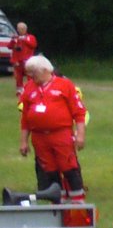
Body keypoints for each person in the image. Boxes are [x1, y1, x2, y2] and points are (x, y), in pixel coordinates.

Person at [17, 55, 87, 203]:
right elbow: (25, 119)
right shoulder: (29, 88)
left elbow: (79, 112)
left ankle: (77, 200)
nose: (30, 76)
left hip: (60, 134)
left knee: (68, 166)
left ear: (44, 70)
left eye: (33, 72)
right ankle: (58, 199)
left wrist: (80, 134)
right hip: (39, 137)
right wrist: (23, 141)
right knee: (49, 169)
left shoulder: (64, 85)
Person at [10, 21, 38, 94]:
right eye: (19, 29)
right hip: (18, 60)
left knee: (29, 75)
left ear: (25, 29)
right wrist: (14, 40)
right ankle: (20, 90)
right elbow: (10, 46)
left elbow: (33, 45)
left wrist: (24, 40)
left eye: (21, 28)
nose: (20, 30)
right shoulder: (16, 38)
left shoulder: (30, 37)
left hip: (27, 60)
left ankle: (30, 89)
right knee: (18, 77)